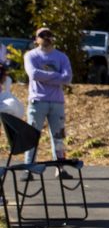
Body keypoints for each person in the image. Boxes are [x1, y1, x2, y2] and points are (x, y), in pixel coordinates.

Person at [23, 27, 73, 177]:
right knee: (32, 135)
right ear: (36, 39)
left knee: (58, 136)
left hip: (57, 102)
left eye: (49, 35)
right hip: (37, 101)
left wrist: (45, 76)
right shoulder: (31, 55)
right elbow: (33, 74)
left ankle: (60, 167)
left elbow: (68, 78)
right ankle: (28, 168)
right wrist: (56, 76)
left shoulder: (61, 57)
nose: (46, 37)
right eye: (42, 35)